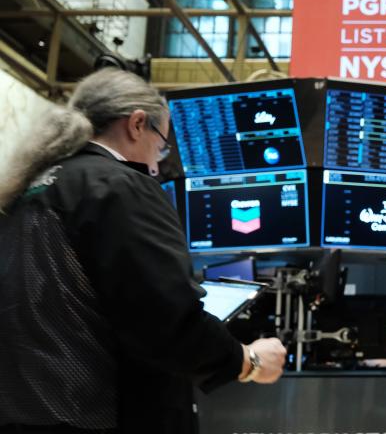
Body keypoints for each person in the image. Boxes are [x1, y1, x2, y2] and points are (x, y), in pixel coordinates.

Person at [0, 68, 287, 433]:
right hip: (101, 414)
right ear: (137, 124)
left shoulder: (23, 192)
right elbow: (164, 316)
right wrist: (248, 360)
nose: (157, 162)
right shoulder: (120, 186)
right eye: (161, 144)